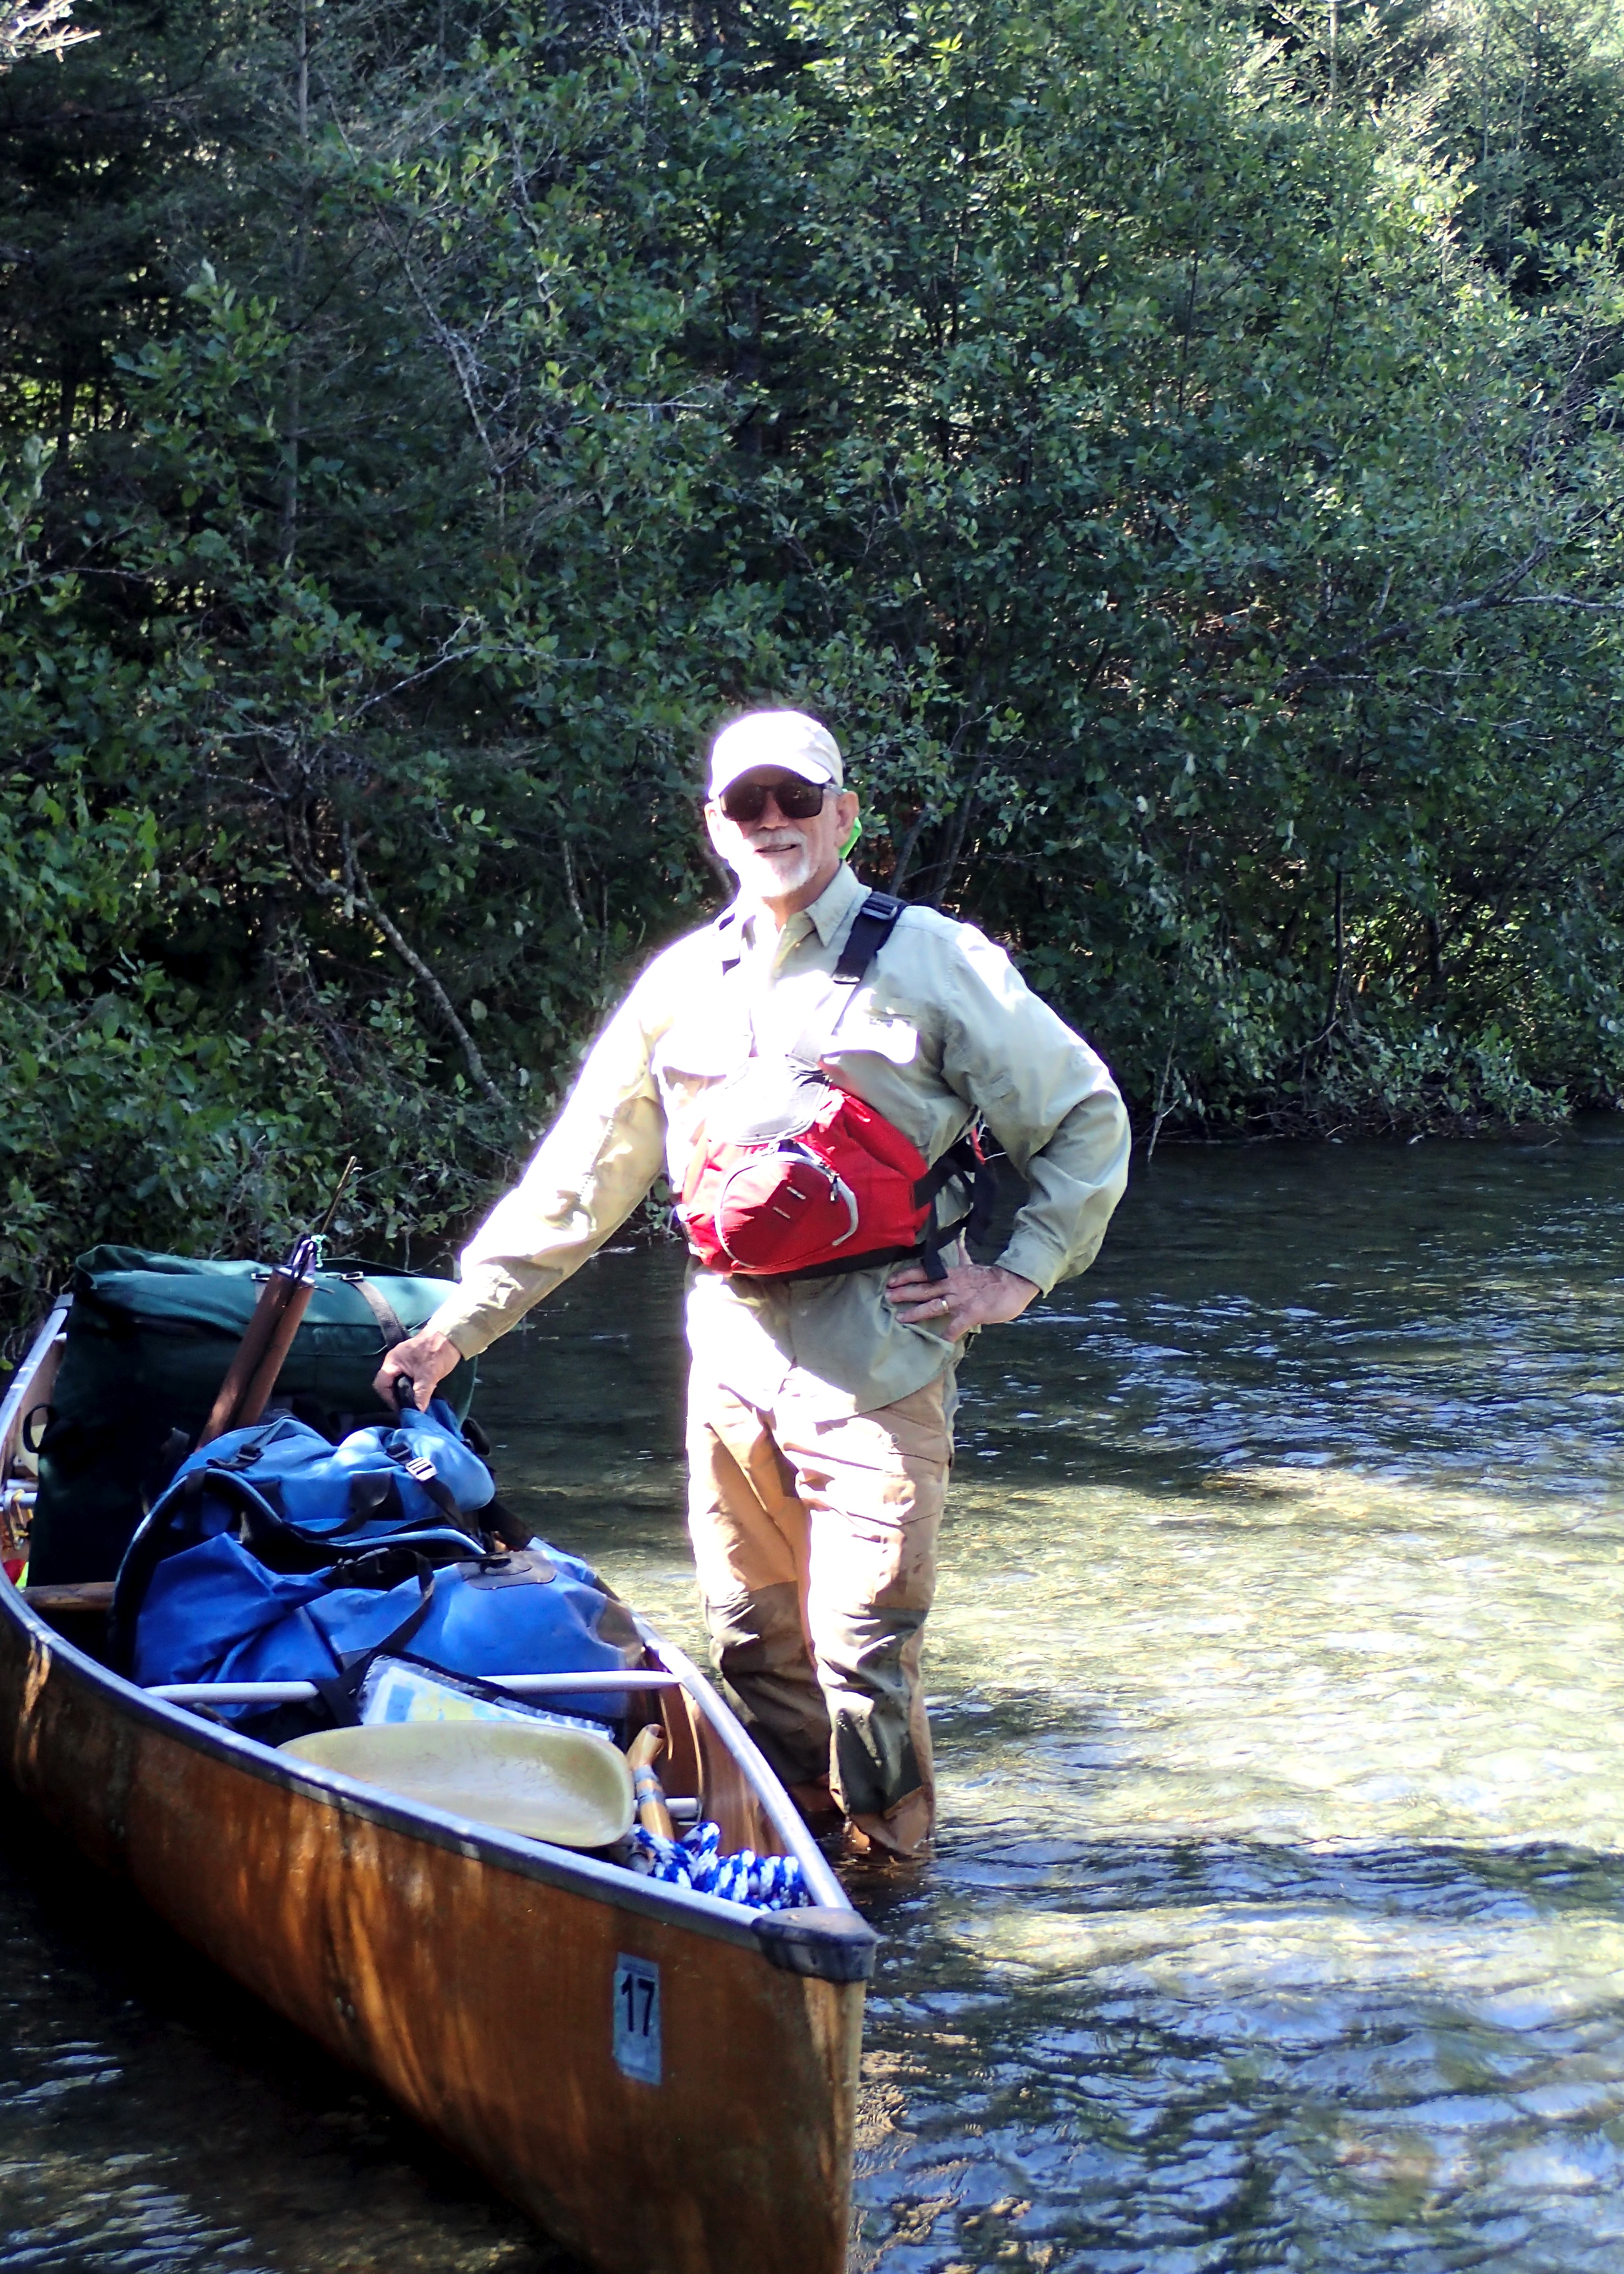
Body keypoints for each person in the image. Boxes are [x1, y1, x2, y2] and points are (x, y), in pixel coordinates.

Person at [376, 709, 1131, 1859]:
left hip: (880, 1354)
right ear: (714, 827)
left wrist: (1011, 1276)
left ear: (845, 815)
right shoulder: (680, 984)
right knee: (749, 1639)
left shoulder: (933, 959)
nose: (772, 822)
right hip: (727, 1354)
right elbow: (580, 1179)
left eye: (797, 800)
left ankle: (891, 1889)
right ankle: (798, 1861)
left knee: (864, 1645)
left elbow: (1083, 1120)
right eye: (747, 804)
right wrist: (458, 1329)